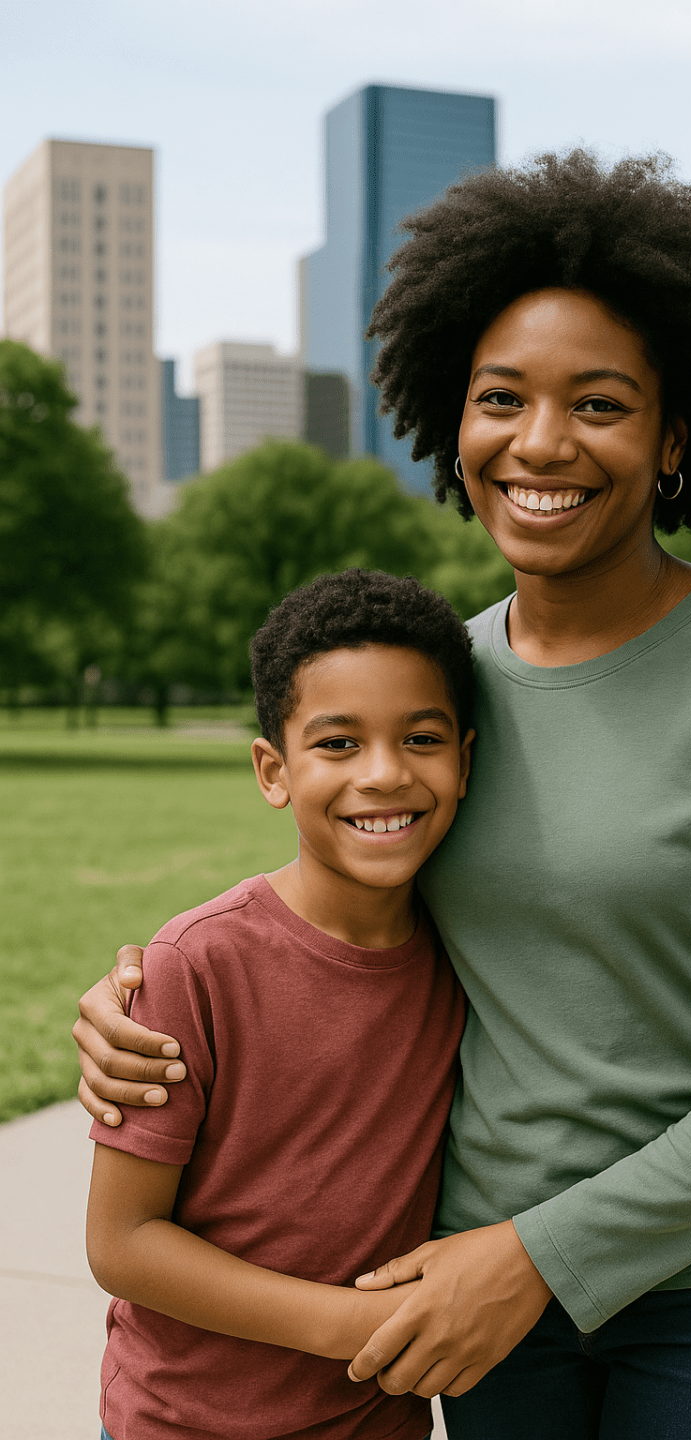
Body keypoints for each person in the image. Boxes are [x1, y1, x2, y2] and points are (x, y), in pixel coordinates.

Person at [76, 151, 691, 1440]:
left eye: (600, 404)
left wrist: (540, 1254)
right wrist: (140, 1001)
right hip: (480, 1300)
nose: (541, 442)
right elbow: (340, 916)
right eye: (501, 399)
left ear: (675, 436)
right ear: (448, 422)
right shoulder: (439, 693)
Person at [84, 569, 475, 1440]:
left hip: (375, 1424)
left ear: (466, 761)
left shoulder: (471, 958)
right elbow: (121, 1241)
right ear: (274, 770)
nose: (384, 773)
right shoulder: (196, 965)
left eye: (421, 738)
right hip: (183, 1423)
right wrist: (351, 1324)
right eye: (338, 744)